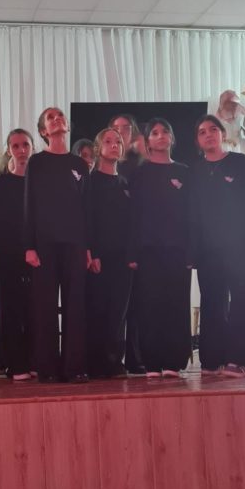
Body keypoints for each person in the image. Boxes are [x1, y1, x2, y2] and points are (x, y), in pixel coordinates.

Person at [190, 114, 245, 378]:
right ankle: (212, 359)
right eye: (202, 132)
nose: (208, 134)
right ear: (197, 141)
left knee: (244, 300)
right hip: (208, 251)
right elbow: (191, 215)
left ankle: (240, 359)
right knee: (212, 302)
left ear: (222, 133)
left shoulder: (240, 163)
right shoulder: (195, 171)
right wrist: (193, 251)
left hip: (241, 248)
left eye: (213, 129)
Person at [25, 106, 91, 383]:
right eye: (50, 118)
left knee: (76, 305)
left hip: (75, 243)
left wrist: (88, 247)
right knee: (46, 307)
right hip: (44, 245)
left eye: (59, 115)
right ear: (43, 130)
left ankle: (74, 366)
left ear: (67, 125)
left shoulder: (79, 164)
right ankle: (48, 367)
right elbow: (29, 204)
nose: (57, 119)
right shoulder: (36, 162)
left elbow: (86, 208)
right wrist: (29, 246)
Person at [128, 117, 191, 378]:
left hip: (178, 251)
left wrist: (191, 251)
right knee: (149, 305)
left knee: (176, 304)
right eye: (154, 132)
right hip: (147, 250)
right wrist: (133, 252)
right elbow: (132, 216)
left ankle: (173, 361)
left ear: (172, 138)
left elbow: (192, 216)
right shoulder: (138, 174)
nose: (161, 135)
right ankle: (151, 362)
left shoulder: (185, 172)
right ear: (148, 141)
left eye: (165, 131)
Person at [0, 129, 34, 381]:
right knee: (9, 310)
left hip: (35, 255)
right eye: (16, 146)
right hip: (7, 256)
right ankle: (12, 362)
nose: (21, 150)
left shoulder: (39, 184)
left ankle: (32, 359)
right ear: (9, 150)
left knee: (33, 309)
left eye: (25, 144)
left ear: (32, 147)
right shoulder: (2, 184)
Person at [87, 128, 132, 378]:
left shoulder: (125, 183)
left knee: (118, 311)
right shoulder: (90, 182)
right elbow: (87, 220)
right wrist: (92, 252)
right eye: (108, 141)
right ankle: (95, 363)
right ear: (98, 148)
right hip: (99, 257)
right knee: (97, 309)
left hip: (123, 258)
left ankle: (115, 361)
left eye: (118, 142)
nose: (114, 145)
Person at [108, 113, 147, 374]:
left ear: (132, 132)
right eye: (116, 128)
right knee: (114, 307)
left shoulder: (142, 167)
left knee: (137, 305)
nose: (121, 132)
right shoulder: (104, 168)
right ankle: (110, 359)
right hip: (111, 247)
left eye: (125, 128)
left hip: (138, 244)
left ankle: (136, 358)